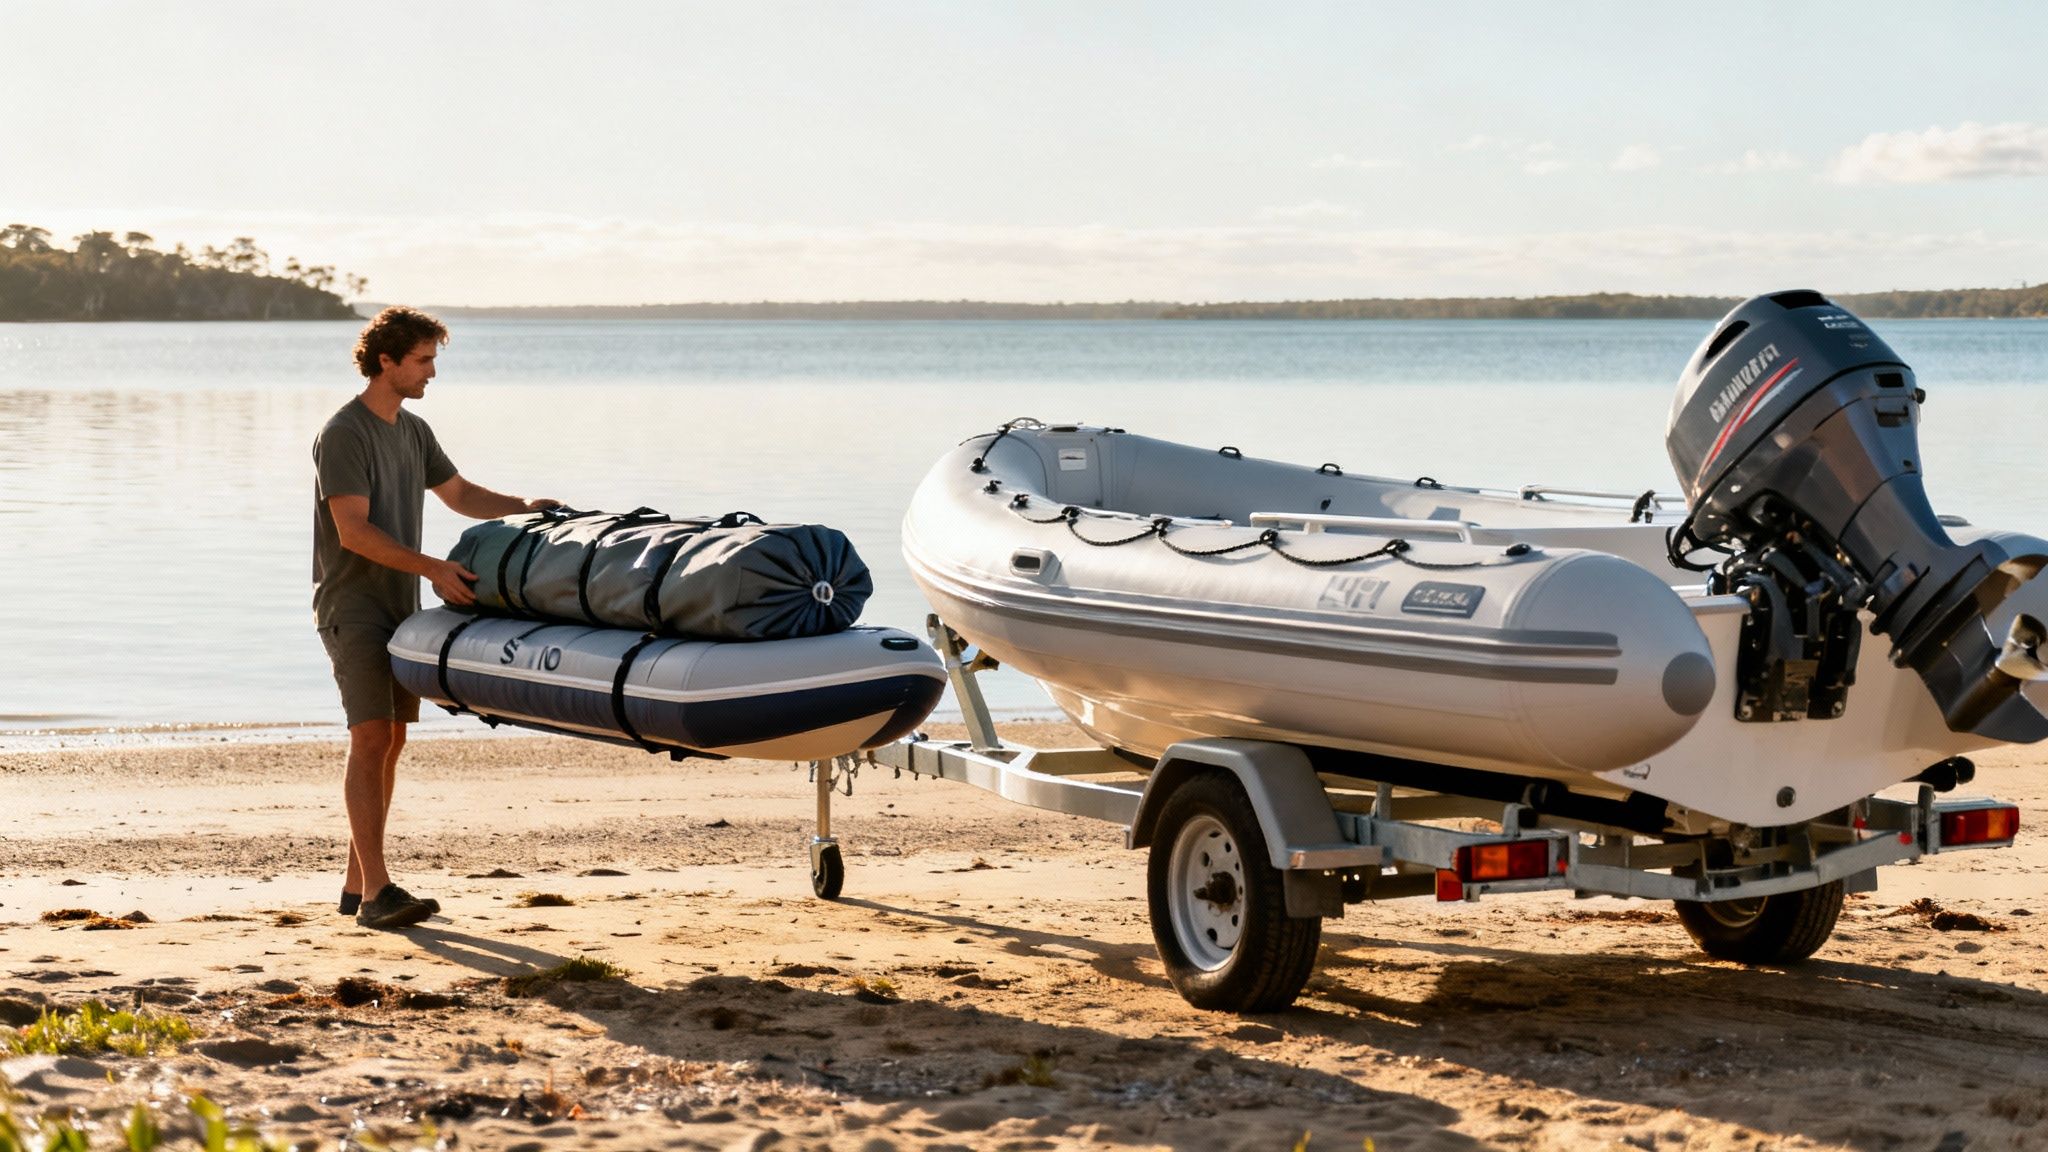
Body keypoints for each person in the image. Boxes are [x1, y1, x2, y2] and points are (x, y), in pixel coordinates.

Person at [313, 306, 558, 930]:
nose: (431, 372)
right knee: (370, 738)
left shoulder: (413, 430)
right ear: (386, 360)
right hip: (355, 606)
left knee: (390, 740)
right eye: (422, 361)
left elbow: (460, 496)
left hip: (400, 608)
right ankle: (376, 896)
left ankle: (355, 885)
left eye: (433, 360)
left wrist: (524, 506)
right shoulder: (344, 433)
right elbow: (354, 532)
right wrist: (433, 568)